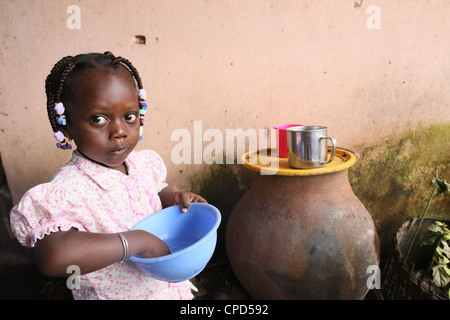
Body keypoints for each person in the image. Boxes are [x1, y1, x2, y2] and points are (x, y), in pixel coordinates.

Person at [10, 51, 207, 299]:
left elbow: (151, 195)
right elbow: (52, 257)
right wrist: (137, 241)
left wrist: (175, 199)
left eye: (130, 117)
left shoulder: (143, 164)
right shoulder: (69, 190)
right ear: (66, 126)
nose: (119, 131)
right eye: (99, 119)